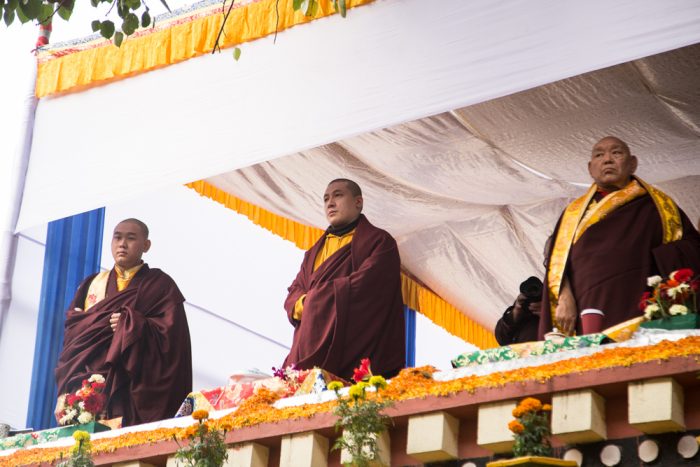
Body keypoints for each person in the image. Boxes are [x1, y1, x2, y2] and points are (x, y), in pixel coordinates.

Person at [538, 136, 700, 338]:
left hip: (639, 307)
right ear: (590, 168)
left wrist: (660, 260)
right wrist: (563, 297)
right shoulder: (573, 213)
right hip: (583, 310)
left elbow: (692, 249)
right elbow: (556, 259)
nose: (607, 159)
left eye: (616, 153)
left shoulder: (658, 208)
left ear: (632, 164)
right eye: (599, 154)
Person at [55, 219, 192, 427]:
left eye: (131, 238)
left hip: (131, 385)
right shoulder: (92, 284)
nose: (122, 244)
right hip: (89, 384)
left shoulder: (161, 286)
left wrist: (135, 326)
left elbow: (174, 342)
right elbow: (74, 338)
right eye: (117, 237)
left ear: (146, 246)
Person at [282, 179, 405, 380]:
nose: (330, 203)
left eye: (338, 195)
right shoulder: (314, 252)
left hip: (353, 350)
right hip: (309, 345)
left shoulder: (379, 242)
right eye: (326, 199)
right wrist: (304, 303)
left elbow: (366, 289)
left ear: (358, 202)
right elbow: (295, 291)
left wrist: (314, 301)